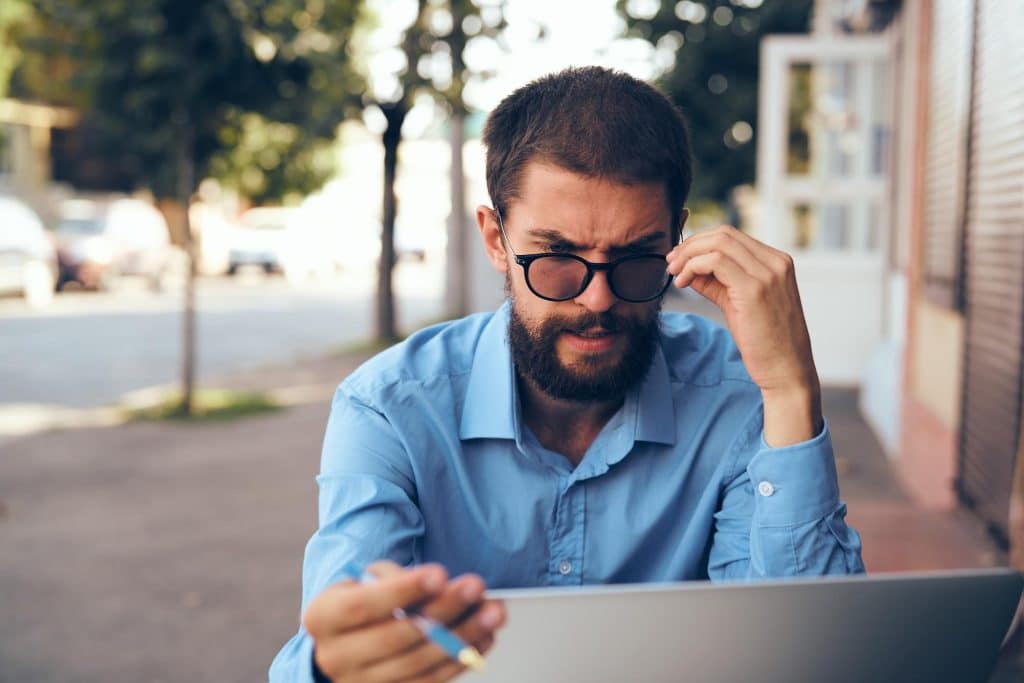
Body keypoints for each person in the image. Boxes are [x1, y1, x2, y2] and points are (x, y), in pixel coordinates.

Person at [270, 66, 864, 682]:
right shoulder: (390, 407)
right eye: (557, 258)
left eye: (637, 258)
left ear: (677, 241)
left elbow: (812, 656)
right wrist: (336, 666)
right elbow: (332, 645)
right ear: (496, 240)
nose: (598, 300)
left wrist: (791, 390)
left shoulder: (741, 392)